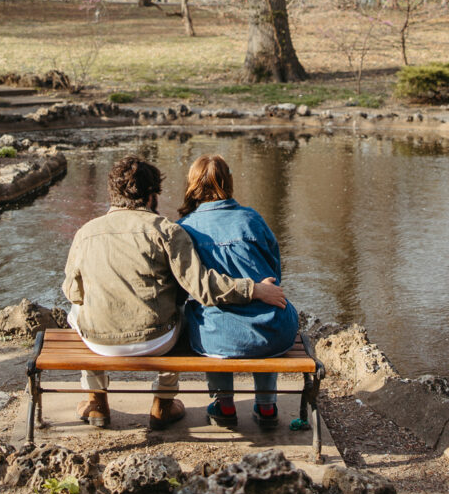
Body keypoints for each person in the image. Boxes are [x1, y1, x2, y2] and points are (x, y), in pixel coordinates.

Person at [62, 154, 287, 430]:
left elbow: (72, 291)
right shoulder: (166, 230)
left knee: (77, 310)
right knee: (180, 306)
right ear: (151, 196)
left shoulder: (85, 233)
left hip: (99, 343)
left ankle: (96, 399)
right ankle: (163, 402)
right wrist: (253, 289)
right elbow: (201, 286)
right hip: (155, 340)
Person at [178, 154, 299, 430]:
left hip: (219, 338)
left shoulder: (184, 229)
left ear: (192, 185)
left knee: (203, 313)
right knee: (271, 309)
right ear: (228, 182)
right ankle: (267, 407)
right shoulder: (252, 219)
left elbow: (185, 288)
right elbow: (275, 274)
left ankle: (225, 404)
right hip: (272, 334)